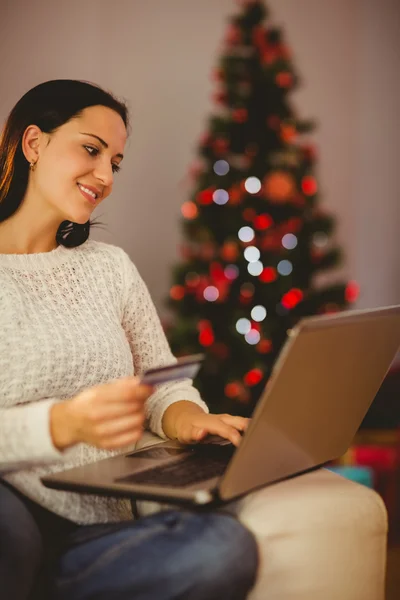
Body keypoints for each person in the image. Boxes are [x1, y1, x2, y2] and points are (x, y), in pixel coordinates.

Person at [0, 80, 259, 600]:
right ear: (33, 144)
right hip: (11, 506)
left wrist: (189, 417)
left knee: (225, 546)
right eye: (91, 150)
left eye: (114, 162)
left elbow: (162, 382)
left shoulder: (109, 268)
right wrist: (62, 423)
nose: (104, 176)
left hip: (96, 526)